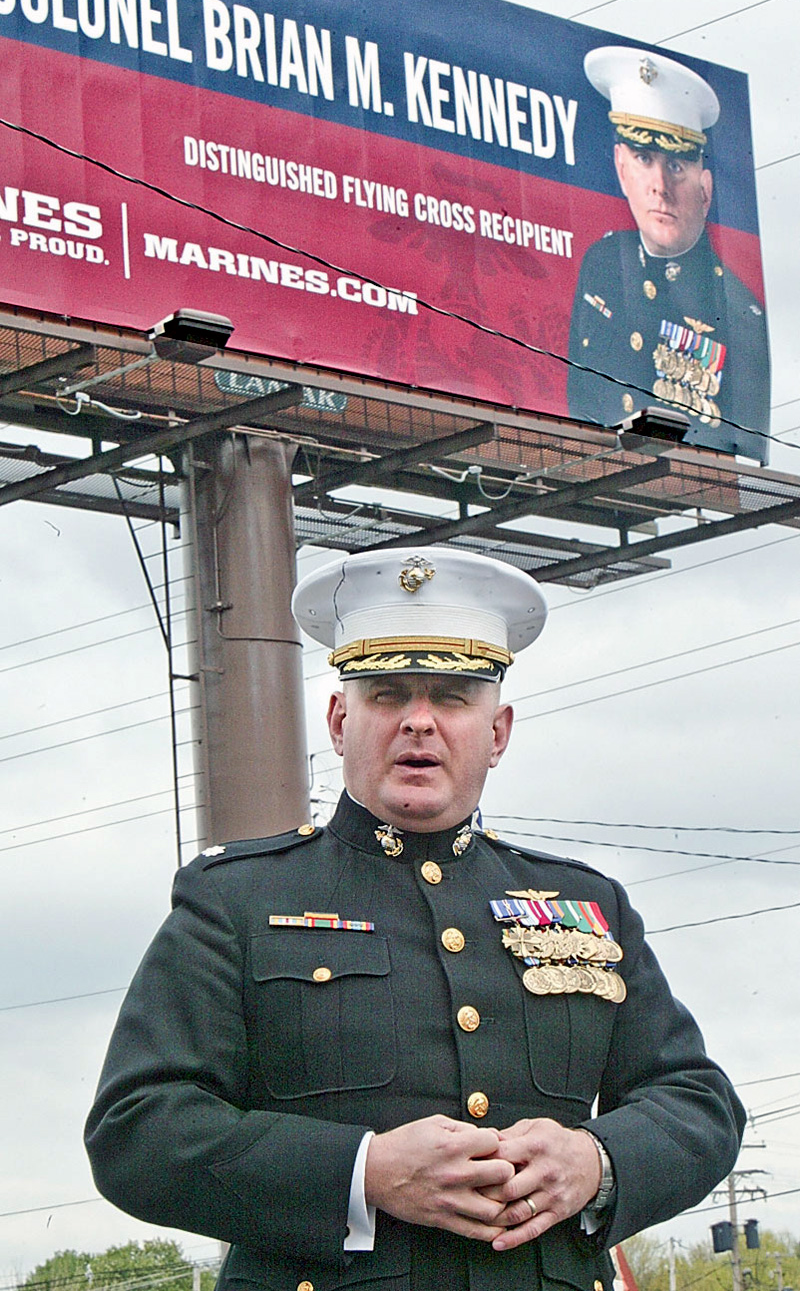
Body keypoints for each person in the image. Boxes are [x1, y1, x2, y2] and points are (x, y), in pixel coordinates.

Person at [85, 546, 745, 1291]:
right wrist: (366, 1171)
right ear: (340, 720)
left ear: (497, 732)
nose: (419, 722)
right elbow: (137, 1130)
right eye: (388, 694)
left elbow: (700, 1104)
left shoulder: (589, 905)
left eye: (455, 695)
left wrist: (596, 1161)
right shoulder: (233, 898)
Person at [567, 45, 770, 459]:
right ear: (622, 169)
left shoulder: (736, 312)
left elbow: (737, 442)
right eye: (644, 158)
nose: (659, 185)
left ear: (705, 189)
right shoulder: (601, 262)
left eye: (676, 166)